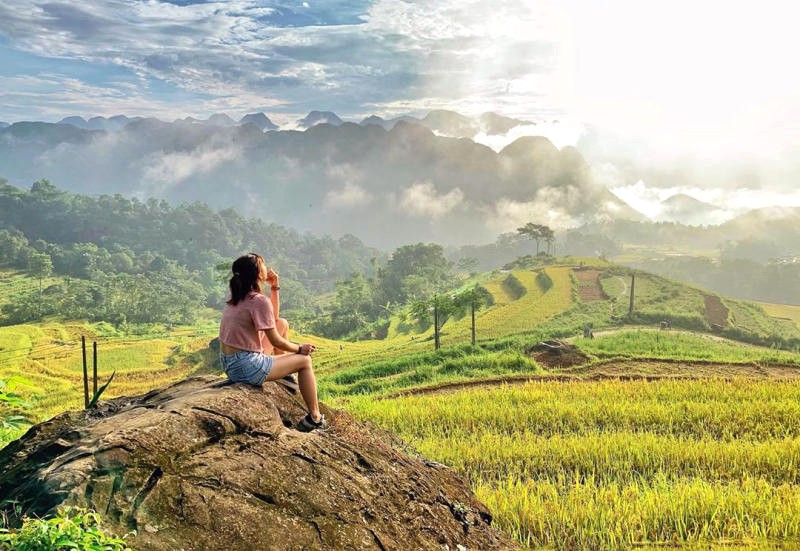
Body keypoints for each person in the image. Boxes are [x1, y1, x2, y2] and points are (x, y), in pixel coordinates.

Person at [218, 253, 326, 431]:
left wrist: (275, 287)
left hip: (231, 363)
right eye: (263, 265)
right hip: (246, 367)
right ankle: (315, 418)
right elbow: (275, 339)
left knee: (282, 323)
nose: (267, 268)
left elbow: (273, 320)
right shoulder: (258, 300)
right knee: (305, 361)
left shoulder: (238, 296)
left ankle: (283, 374)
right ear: (258, 273)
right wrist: (300, 348)